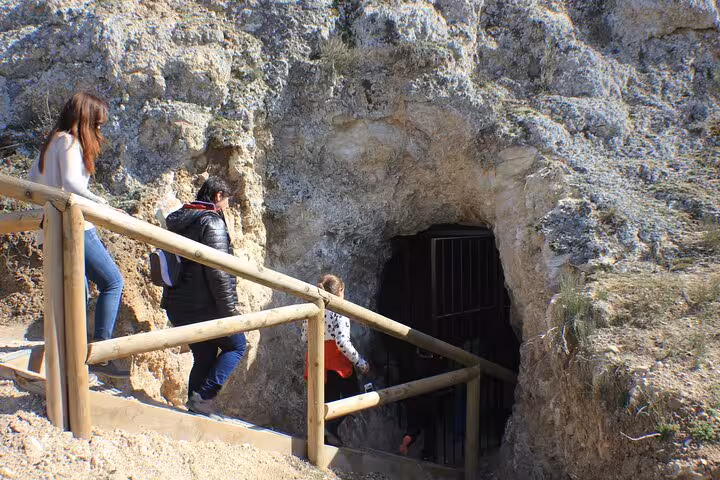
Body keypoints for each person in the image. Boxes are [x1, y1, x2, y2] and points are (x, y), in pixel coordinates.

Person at [28, 92, 128, 379]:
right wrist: (104, 205)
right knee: (113, 281)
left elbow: (33, 181)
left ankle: (70, 353)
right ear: (85, 118)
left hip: (50, 226)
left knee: (77, 292)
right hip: (74, 226)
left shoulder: (51, 142)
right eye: (97, 123)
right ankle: (101, 353)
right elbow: (72, 183)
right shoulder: (71, 142)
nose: (99, 130)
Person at [161, 176, 246, 415]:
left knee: (205, 353)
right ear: (218, 196)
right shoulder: (212, 222)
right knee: (237, 346)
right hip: (204, 304)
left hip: (178, 305)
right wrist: (230, 311)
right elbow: (218, 272)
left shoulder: (182, 219)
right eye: (226, 201)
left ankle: (195, 408)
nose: (226, 207)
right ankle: (204, 396)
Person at [302, 274, 369, 446]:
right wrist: (360, 362)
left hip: (318, 359)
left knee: (326, 399)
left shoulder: (313, 306)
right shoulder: (340, 312)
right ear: (340, 291)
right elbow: (342, 342)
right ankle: (329, 427)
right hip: (337, 363)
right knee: (353, 397)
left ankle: (322, 439)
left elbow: (304, 336)